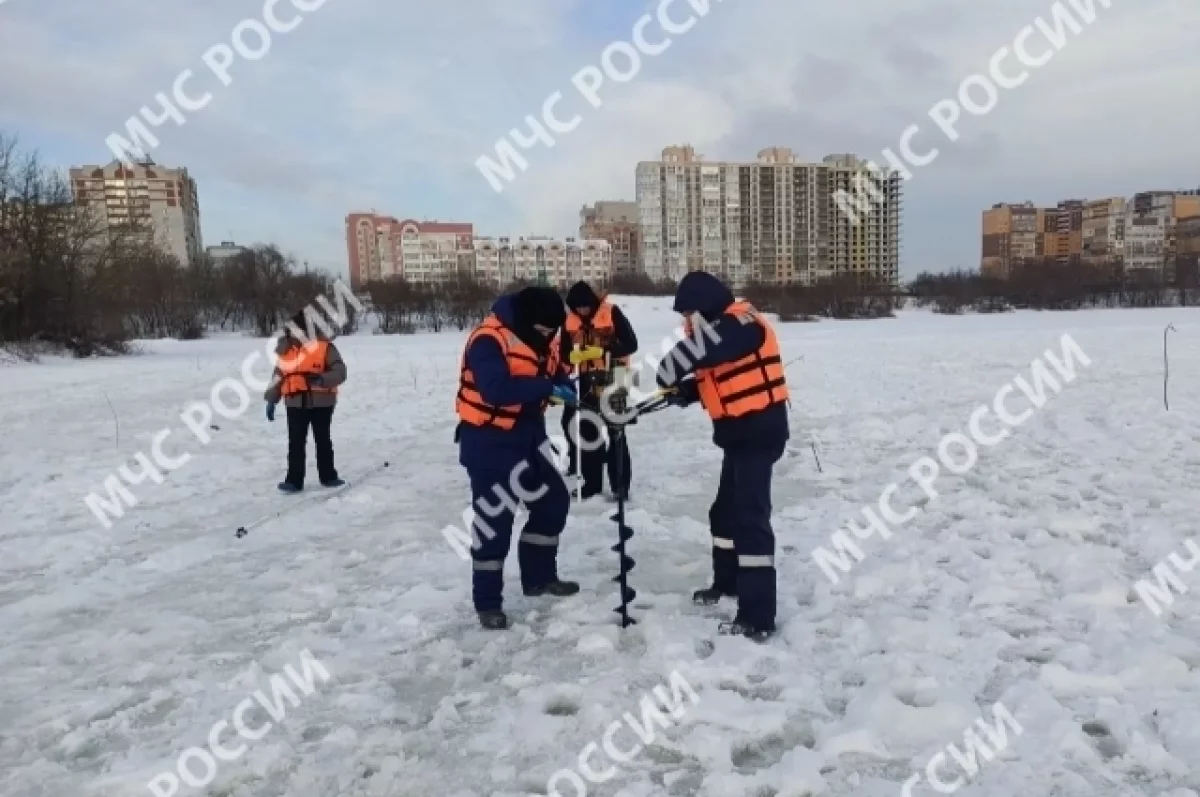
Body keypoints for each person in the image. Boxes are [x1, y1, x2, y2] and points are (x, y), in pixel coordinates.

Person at [656, 271, 790, 641]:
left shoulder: (742, 323)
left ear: (706, 306)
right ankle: (727, 584)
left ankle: (757, 615)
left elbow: (711, 349)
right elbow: (721, 377)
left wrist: (670, 366)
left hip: (760, 435)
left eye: (689, 313)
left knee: (750, 519)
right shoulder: (718, 331)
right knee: (724, 513)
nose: (686, 322)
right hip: (737, 437)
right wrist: (685, 392)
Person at [456, 286, 580, 630]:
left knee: (552, 502)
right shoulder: (488, 339)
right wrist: (545, 389)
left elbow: (551, 371)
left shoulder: (544, 337)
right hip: (489, 442)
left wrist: (564, 385)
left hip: (530, 438)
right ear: (527, 320)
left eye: (552, 331)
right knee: (494, 522)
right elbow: (495, 390)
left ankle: (539, 578)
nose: (548, 336)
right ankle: (488, 603)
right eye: (542, 330)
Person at [559, 281, 639, 500]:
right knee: (587, 433)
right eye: (578, 308)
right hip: (587, 380)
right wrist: (573, 356)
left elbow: (631, 344)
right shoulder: (569, 322)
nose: (582, 311)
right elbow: (564, 353)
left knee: (617, 433)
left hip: (617, 377)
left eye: (586, 306)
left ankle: (620, 486)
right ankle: (592, 484)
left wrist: (603, 350)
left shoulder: (612, 312)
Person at [264, 310, 348, 493]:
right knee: (295, 442)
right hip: (294, 402)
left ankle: (328, 476)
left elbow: (340, 372)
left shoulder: (324, 347)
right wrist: (272, 399)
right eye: (292, 331)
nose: (295, 335)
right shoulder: (286, 352)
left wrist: (321, 379)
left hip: (322, 402)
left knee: (322, 440)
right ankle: (294, 481)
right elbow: (278, 376)